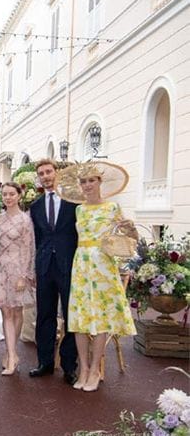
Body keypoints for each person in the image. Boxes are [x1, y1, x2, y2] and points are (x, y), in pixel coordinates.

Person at [56, 161, 137, 392]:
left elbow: (131, 239)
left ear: (100, 182)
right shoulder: (79, 210)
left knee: (100, 319)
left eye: (92, 180)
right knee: (79, 320)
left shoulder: (112, 208)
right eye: (83, 181)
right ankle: (82, 368)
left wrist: (130, 228)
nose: (87, 185)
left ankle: (95, 369)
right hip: (81, 264)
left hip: (103, 265)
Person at [28, 159, 78, 385]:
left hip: (69, 266)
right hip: (45, 267)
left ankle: (69, 366)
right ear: (38, 178)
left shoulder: (73, 202)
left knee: (70, 316)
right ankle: (45, 363)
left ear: (56, 173)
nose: (46, 176)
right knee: (44, 315)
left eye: (49, 172)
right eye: (41, 173)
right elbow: (36, 240)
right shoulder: (36, 206)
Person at [0, 182, 35, 375]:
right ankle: (11, 355)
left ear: (19, 196)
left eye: (12, 194)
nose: (8, 197)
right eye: (5, 194)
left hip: (18, 269)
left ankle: (13, 351)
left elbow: (29, 249)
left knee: (17, 312)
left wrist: (24, 275)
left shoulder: (25, 220)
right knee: (7, 313)